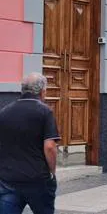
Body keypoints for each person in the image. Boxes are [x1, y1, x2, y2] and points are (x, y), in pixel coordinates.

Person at [0, 73, 59, 214]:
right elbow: (50, 147)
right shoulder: (45, 112)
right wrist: (52, 172)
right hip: (37, 179)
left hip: (8, 180)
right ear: (42, 91)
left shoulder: (4, 112)